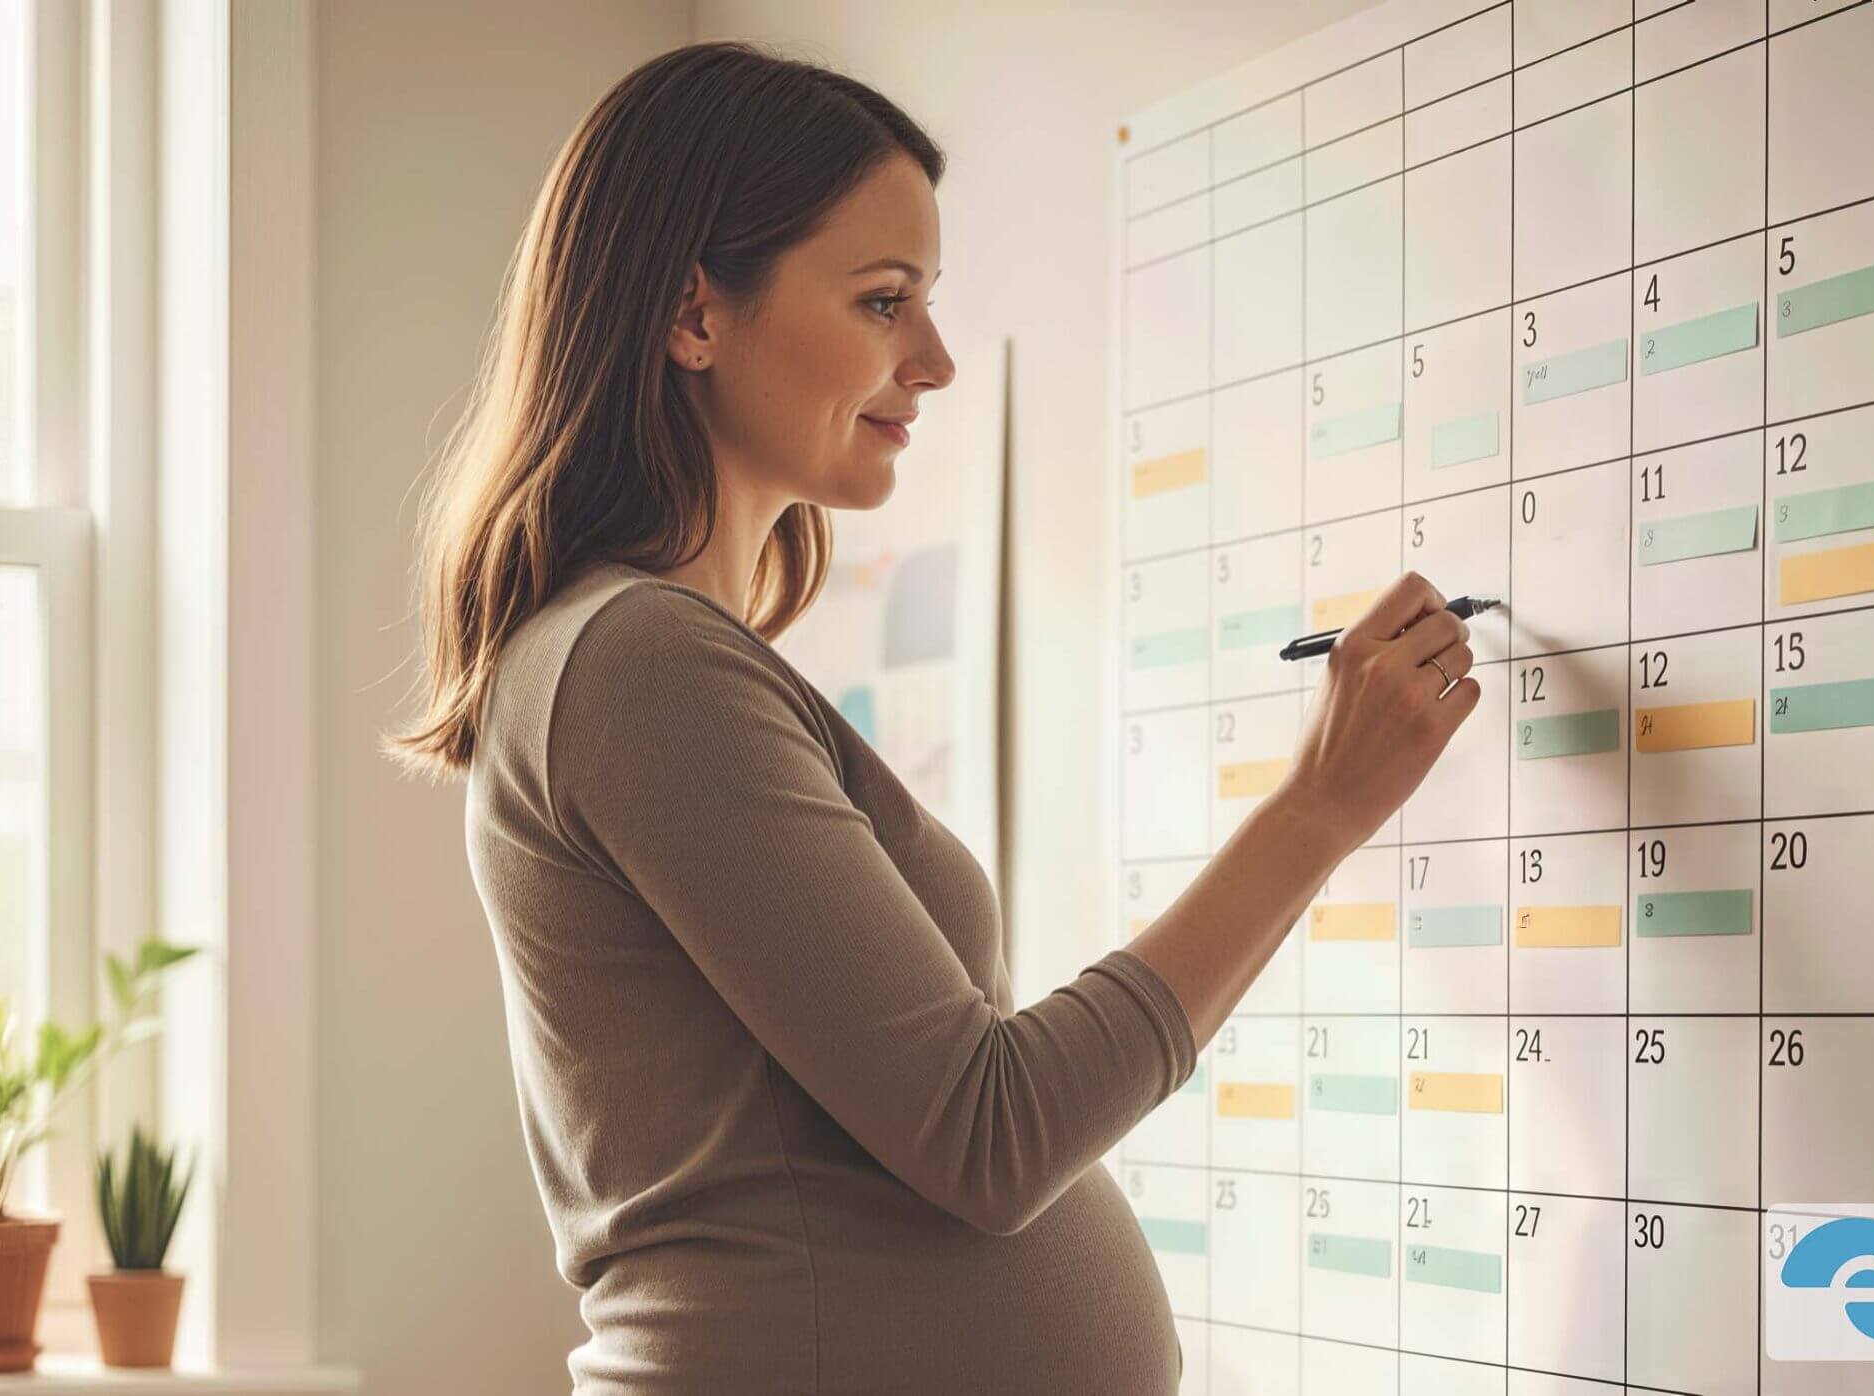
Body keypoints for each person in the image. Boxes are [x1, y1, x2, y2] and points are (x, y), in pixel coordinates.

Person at [386, 40, 1482, 1395]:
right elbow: (990, 1133)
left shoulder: (652, 660)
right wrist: (1320, 805)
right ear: (692, 314)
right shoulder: (636, 664)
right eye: (883, 301)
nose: (939, 360)